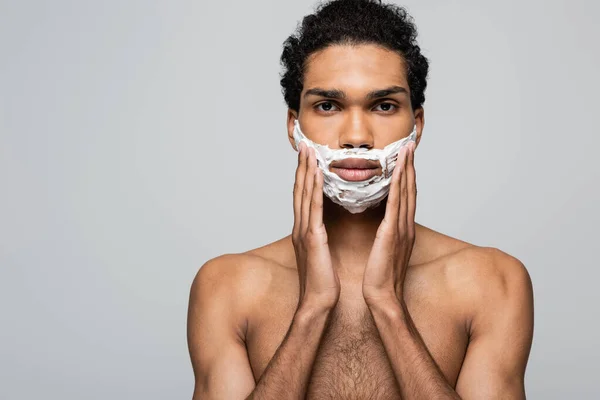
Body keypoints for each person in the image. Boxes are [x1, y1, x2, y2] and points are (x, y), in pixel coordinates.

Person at [187, 0, 534, 398]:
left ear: (416, 126)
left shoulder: (493, 282)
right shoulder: (226, 287)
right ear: (293, 125)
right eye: (328, 106)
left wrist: (389, 306)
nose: (356, 135)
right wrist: (312, 310)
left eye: (383, 106)